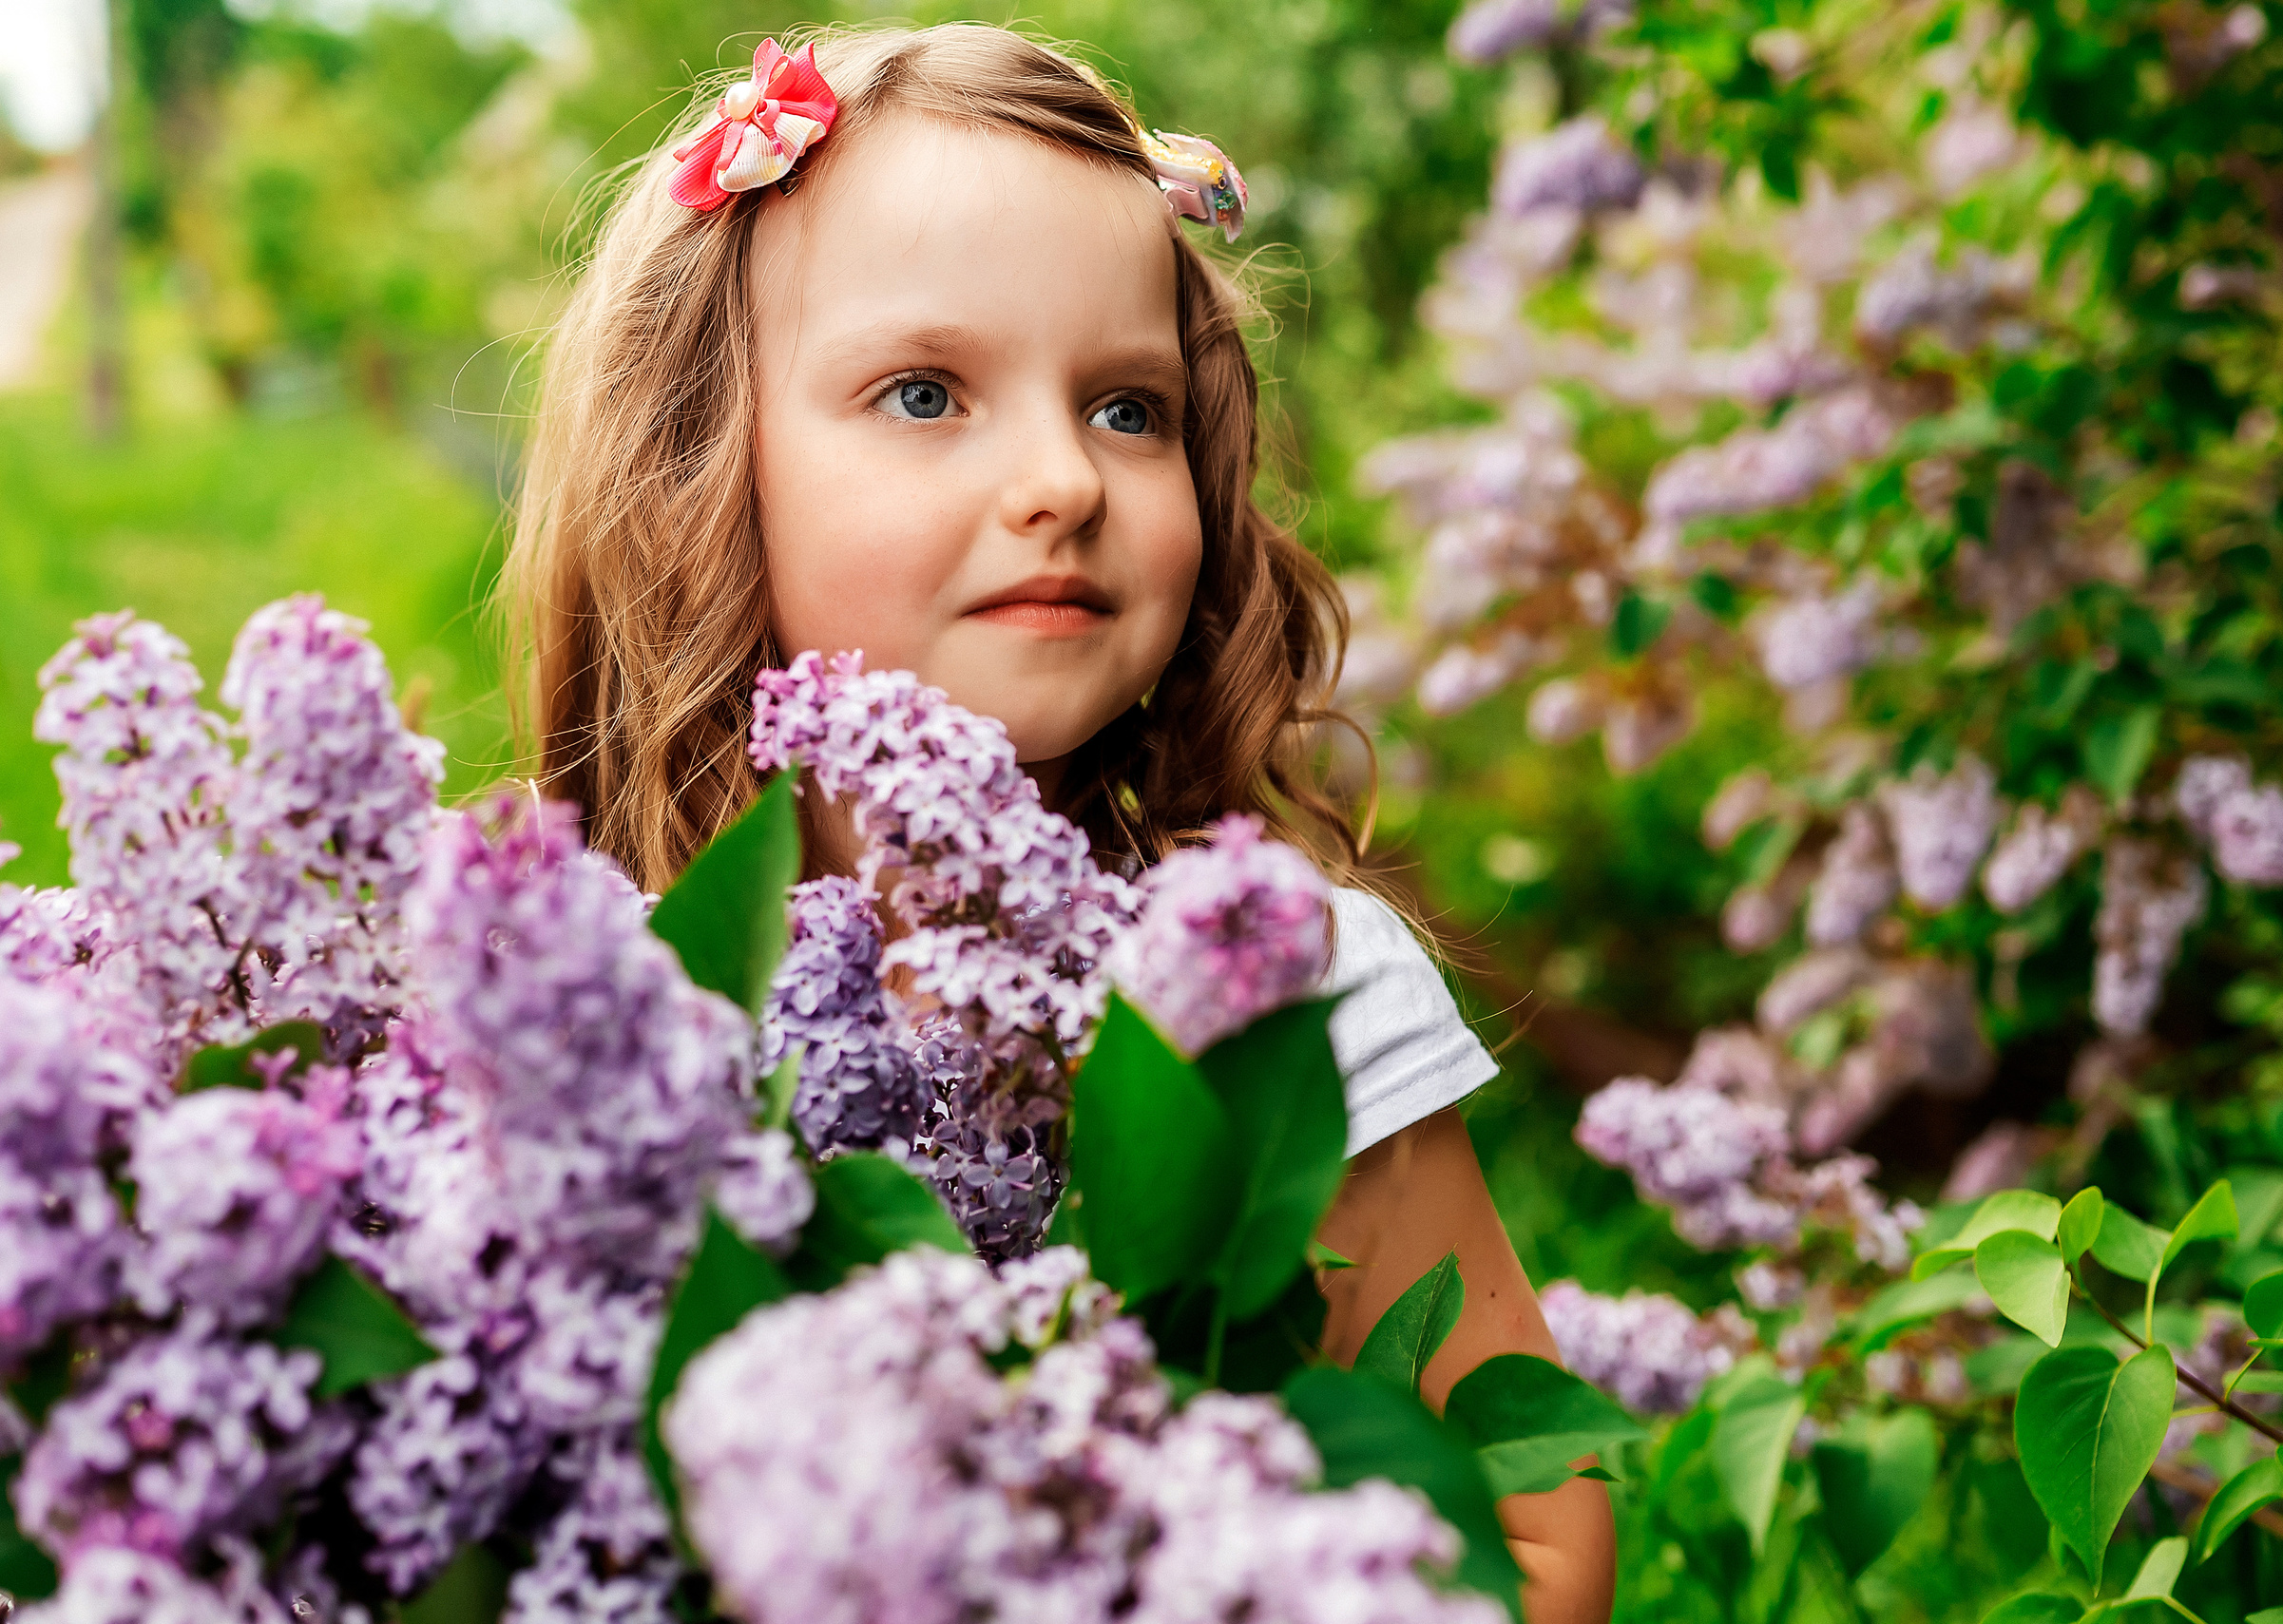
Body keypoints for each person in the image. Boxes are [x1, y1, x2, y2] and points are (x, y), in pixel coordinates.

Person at [498, 23, 1615, 1621]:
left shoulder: (1279, 983)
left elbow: (1536, 1527)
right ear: (695, 471)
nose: (1061, 480)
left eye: (1129, 409)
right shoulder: (592, 1010)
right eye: (927, 390)